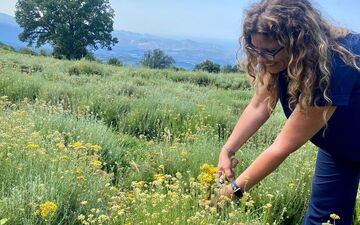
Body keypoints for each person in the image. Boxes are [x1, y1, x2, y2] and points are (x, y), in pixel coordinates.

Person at [216, 0, 360, 224]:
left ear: (298, 41)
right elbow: (259, 105)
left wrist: (233, 192)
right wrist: (227, 150)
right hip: (340, 146)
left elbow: (281, 147)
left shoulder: (334, 64)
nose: (261, 59)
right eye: (255, 49)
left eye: (269, 51)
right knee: (325, 219)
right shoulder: (275, 61)